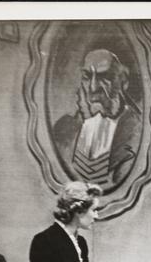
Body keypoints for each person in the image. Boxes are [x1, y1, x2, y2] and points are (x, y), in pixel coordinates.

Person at [52, 49, 142, 190]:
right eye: (87, 77)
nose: (93, 88)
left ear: (123, 80)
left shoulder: (136, 131)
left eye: (104, 77)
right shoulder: (64, 128)